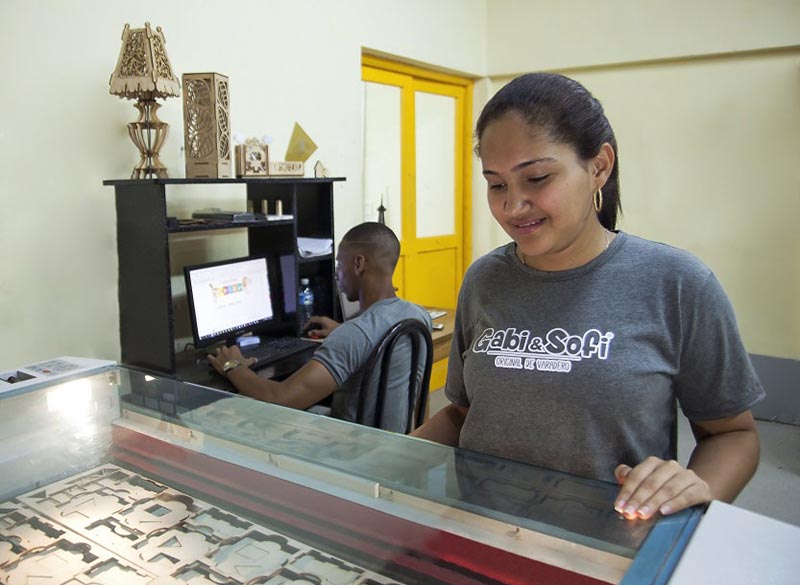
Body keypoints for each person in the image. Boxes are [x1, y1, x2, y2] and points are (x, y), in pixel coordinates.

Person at [412, 73, 764, 521]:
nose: (512, 206)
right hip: (484, 541)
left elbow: (734, 434)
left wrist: (694, 489)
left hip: (607, 550)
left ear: (599, 166)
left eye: (537, 178)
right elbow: (461, 414)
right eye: (496, 184)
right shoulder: (484, 280)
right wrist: (383, 458)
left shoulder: (677, 284)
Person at [208, 222, 432, 433]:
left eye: (339, 263)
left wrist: (232, 366)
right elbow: (379, 344)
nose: (336, 272)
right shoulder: (418, 316)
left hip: (353, 455)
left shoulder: (354, 335)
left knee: (240, 421)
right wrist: (344, 331)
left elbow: (280, 397)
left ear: (358, 264)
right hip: (395, 445)